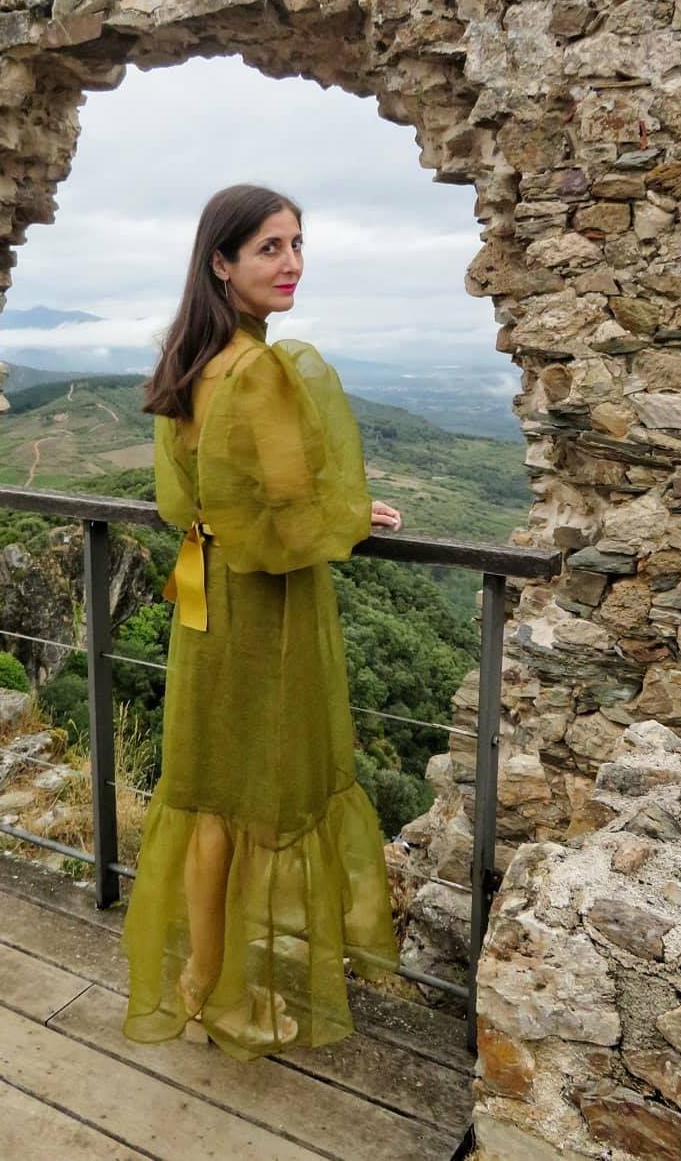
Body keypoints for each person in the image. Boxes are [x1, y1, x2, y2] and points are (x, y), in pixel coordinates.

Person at [120, 183, 404, 1063]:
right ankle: (237, 1001)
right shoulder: (265, 370)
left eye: (297, 244)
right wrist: (353, 511)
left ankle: (201, 985)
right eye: (270, 248)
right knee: (265, 804)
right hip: (264, 611)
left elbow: (184, 501)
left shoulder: (188, 363)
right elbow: (289, 508)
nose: (292, 264)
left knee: (209, 802)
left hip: (203, 592)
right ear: (223, 262)